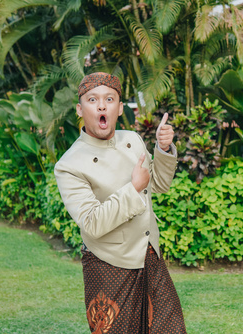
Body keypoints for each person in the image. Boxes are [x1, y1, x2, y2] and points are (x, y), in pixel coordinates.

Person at [54, 72, 186, 333]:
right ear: (80, 109)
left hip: (149, 257)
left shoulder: (132, 140)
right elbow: (92, 223)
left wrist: (163, 149)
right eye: (93, 100)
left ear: (119, 108)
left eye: (109, 99)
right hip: (108, 264)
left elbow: (158, 183)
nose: (102, 106)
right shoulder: (69, 165)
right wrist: (134, 188)